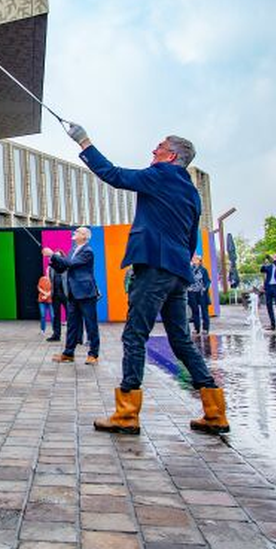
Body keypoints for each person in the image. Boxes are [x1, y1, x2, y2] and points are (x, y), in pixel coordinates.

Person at [64, 125, 229, 436]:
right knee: (180, 340)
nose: (153, 151)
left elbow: (113, 174)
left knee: (134, 335)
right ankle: (215, 411)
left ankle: (127, 414)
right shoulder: (191, 192)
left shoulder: (161, 174)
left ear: (171, 155)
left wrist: (84, 142)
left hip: (153, 268)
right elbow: (190, 236)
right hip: (177, 274)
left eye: (158, 147)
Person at [43, 227, 100, 364]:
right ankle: (68, 353)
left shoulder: (87, 251)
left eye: (77, 232)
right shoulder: (73, 249)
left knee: (91, 324)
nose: (74, 233)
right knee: (72, 324)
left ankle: (93, 354)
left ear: (85, 236)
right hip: (73, 293)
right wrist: (53, 261)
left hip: (86, 293)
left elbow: (70, 263)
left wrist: (53, 255)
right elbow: (63, 267)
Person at [46, 251, 68, 343]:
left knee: (71, 316)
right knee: (56, 316)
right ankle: (56, 335)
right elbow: (50, 280)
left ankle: (75, 337)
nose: (56, 258)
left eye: (58, 257)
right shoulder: (51, 268)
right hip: (55, 295)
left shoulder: (66, 267)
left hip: (66, 294)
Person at [187, 254, 212, 336]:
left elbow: (208, 281)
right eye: (193, 259)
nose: (193, 260)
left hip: (201, 293)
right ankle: (196, 328)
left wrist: (204, 288)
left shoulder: (203, 270)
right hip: (192, 292)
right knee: (195, 311)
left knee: (204, 311)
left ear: (199, 261)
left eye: (196, 259)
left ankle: (205, 328)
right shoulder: (190, 269)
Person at [37, 268, 53, 336]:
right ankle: (42, 330)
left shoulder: (53, 280)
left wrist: (47, 295)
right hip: (42, 300)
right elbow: (39, 287)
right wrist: (45, 294)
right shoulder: (42, 279)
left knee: (53, 316)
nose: (48, 272)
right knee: (43, 315)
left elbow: (53, 289)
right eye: (47, 271)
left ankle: (54, 330)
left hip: (50, 301)